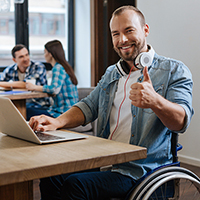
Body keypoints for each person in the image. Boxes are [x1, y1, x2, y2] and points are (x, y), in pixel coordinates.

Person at [29, 5, 194, 200]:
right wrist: (57, 122)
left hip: (140, 171)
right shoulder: (112, 73)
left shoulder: (174, 70)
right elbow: (89, 106)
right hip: (104, 162)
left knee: (76, 186)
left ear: (145, 30)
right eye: (116, 34)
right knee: (51, 175)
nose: (122, 40)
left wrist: (155, 101)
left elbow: (181, 122)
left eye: (129, 30)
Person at [26, 40, 79, 120]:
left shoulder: (58, 68)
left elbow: (54, 89)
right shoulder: (64, 66)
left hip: (62, 113)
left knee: (26, 111)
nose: (44, 55)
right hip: (64, 110)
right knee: (29, 107)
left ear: (50, 54)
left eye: (45, 52)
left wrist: (34, 87)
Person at [0, 44, 50, 115]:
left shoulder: (38, 67)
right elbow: (1, 83)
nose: (26, 59)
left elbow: (27, 84)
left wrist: (8, 84)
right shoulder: (10, 70)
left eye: (27, 55)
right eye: (21, 57)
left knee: (16, 112)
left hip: (38, 104)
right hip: (18, 103)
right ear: (14, 60)